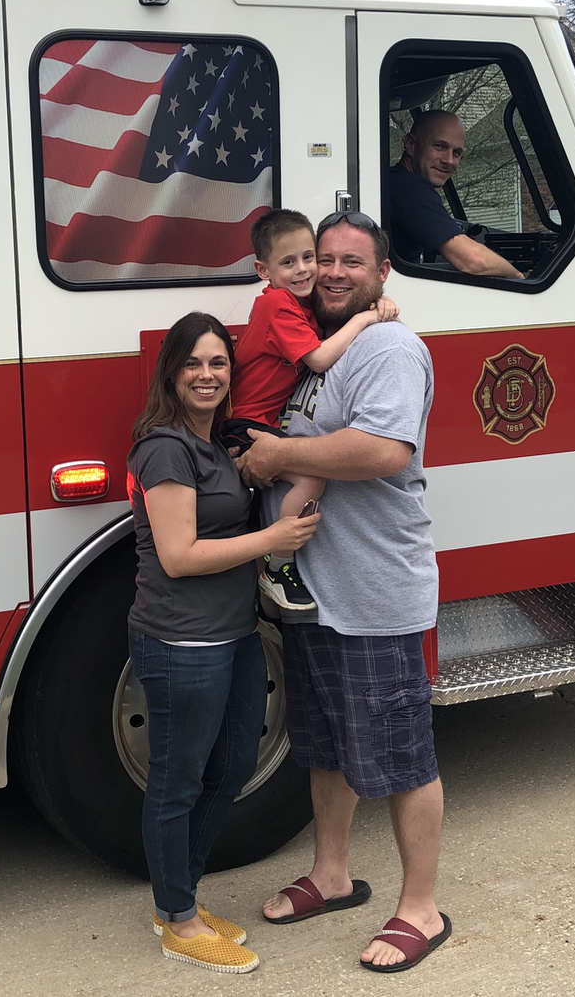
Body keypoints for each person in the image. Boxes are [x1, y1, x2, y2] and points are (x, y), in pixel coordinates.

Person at [237, 211, 451, 975]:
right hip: (315, 594)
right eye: (322, 259)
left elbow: (383, 450)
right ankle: (333, 874)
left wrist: (277, 455)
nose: (331, 272)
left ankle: (420, 907)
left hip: (373, 593)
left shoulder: (390, 346)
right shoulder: (317, 348)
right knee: (324, 747)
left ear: (381, 273)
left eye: (350, 262)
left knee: (398, 752)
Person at [127, 312, 320, 975]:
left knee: (232, 768)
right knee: (177, 781)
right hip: (180, 641)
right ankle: (176, 918)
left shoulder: (217, 445)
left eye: (218, 364)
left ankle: (182, 898)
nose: (207, 376)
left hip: (235, 636)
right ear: (172, 373)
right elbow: (179, 556)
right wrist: (272, 542)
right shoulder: (164, 448)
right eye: (194, 364)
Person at [225, 208, 398, 614]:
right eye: (289, 262)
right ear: (262, 269)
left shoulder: (297, 304)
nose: (305, 270)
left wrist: (377, 298)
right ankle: (276, 562)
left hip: (253, 421)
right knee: (311, 480)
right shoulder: (278, 306)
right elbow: (320, 358)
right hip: (246, 424)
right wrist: (366, 318)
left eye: (308, 258)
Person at [389, 109, 523, 279]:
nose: (449, 160)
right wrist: (520, 279)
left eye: (456, 153)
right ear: (410, 145)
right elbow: (474, 261)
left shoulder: (396, 182)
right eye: (440, 146)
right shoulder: (409, 188)